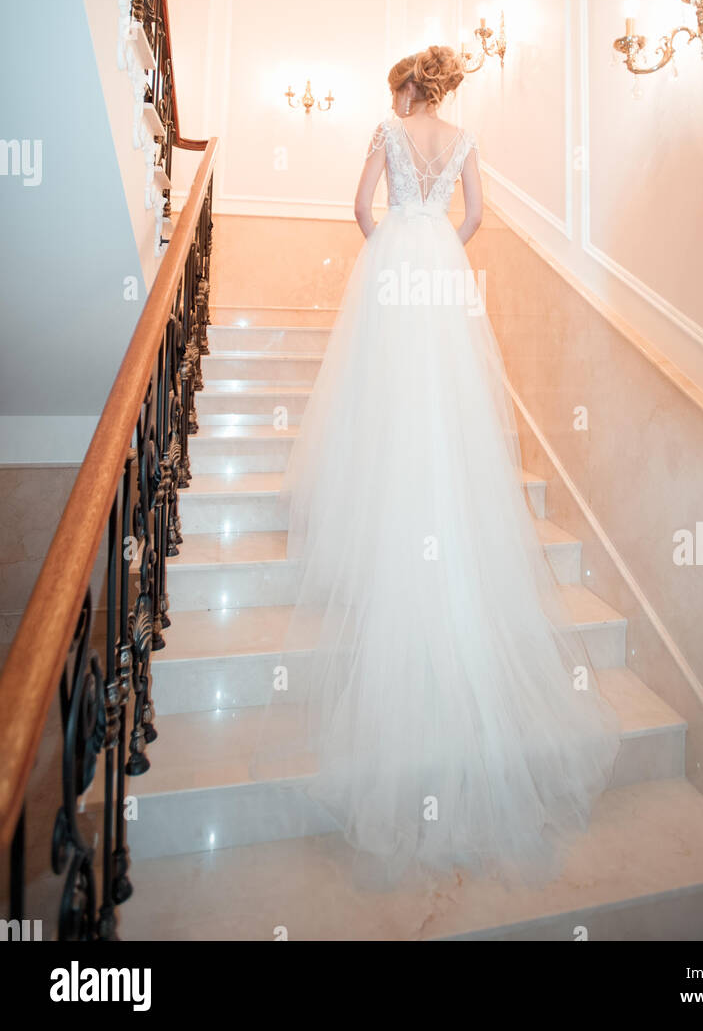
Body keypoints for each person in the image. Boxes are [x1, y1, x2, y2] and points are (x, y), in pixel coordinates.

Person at [256, 44, 620, 890]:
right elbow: (477, 218)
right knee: (445, 408)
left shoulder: (385, 129)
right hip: (442, 272)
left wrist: (393, 241)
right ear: (444, 88)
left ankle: (381, 530)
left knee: (384, 399)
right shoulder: (463, 139)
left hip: (394, 270)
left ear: (406, 87)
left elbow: (358, 208)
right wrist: (435, 240)